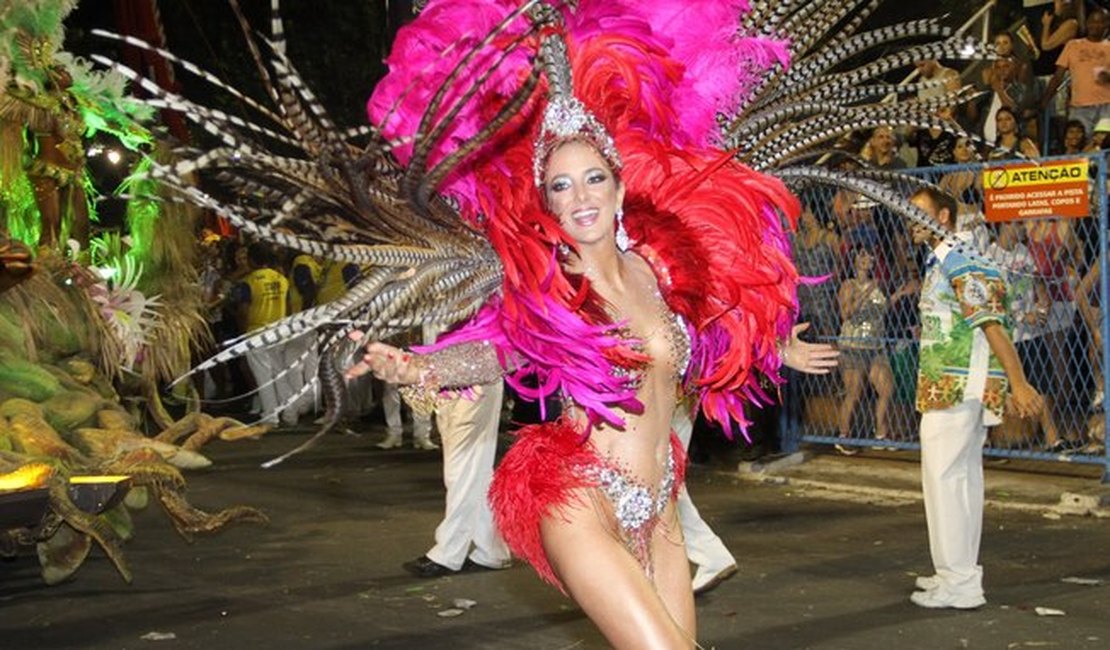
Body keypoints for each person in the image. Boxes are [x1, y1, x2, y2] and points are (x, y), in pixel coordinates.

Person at [908, 187, 1043, 610]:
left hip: (956, 388)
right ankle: (959, 574)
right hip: (948, 387)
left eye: (919, 213)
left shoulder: (959, 258)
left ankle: (959, 582)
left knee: (946, 483)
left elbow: (992, 325)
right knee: (960, 483)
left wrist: (1019, 383)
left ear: (943, 216)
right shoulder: (942, 260)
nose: (909, 219)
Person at [397, 379, 510, 577]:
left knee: (460, 470)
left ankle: (448, 553)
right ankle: (492, 550)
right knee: (476, 470)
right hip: (451, 384)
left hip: (476, 382)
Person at [837, 250, 901, 448]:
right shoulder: (849, 284)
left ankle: (881, 434)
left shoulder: (878, 284)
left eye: (871, 255)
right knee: (854, 392)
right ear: (854, 259)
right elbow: (846, 313)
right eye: (862, 255)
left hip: (875, 345)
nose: (867, 259)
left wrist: (899, 294)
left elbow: (882, 308)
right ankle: (843, 436)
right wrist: (866, 291)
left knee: (886, 388)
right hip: (852, 345)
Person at [230, 242, 292, 424]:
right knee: (280, 373)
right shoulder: (282, 278)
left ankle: (271, 416)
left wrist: (242, 333)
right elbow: (288, 307)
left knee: (263, 376)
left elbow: (243, 311)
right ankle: (290, 413)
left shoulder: (248, 282)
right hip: (279, 330)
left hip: (256, 332)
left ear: (252, 259)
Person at [1042, 8, 1110, 135]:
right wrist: (1045, 100)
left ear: (1106, 25)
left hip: (1106, 106)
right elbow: (1058, 77)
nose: (1094, 25)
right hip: (1079, 107)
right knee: (1080, 146)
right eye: (1092, 22)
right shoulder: (1073, 45)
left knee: (1104, 147)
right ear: (1087, 23)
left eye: (1100, 22)